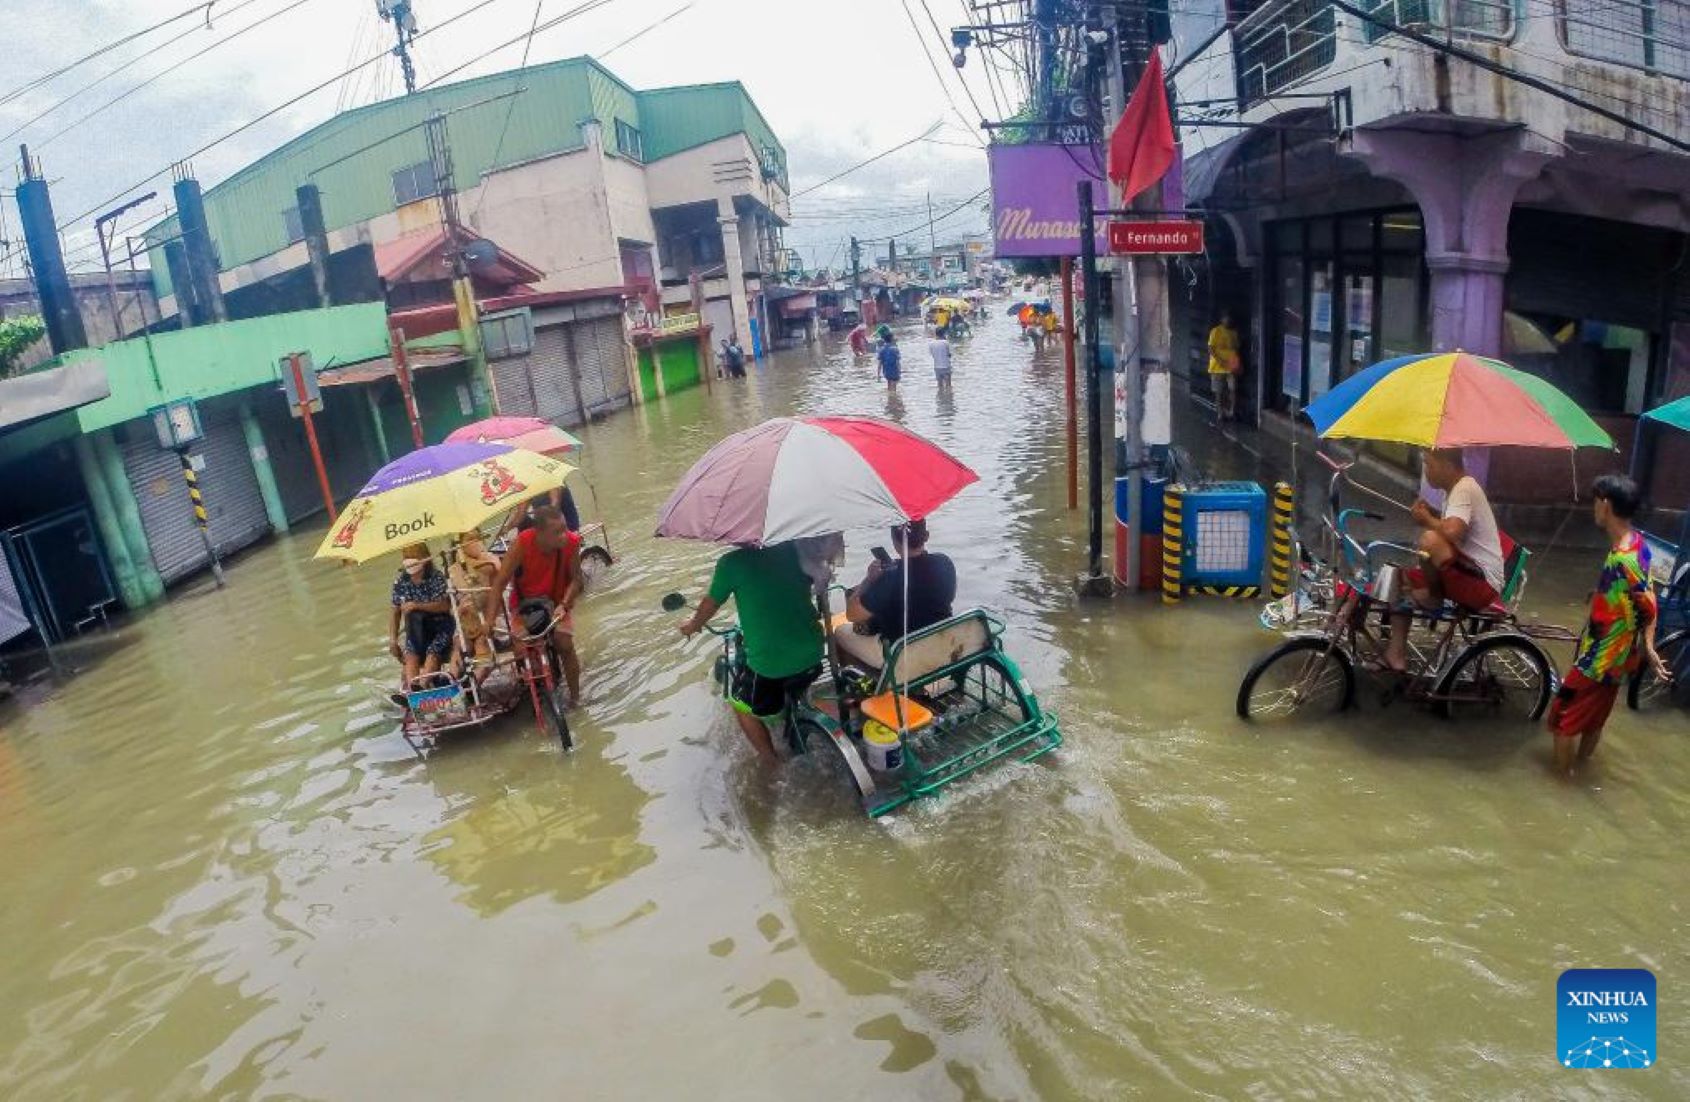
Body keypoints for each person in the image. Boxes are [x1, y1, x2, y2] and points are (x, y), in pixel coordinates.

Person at [1548, 475, 1668, 777]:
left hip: (1601, 658)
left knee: (1562, 718)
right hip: (1617, 657)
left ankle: (1563, 785)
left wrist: (1650, 647)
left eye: (1595, 500)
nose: (1593, 507)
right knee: (1593, 718)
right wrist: (1602, 594)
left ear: (1606, 504)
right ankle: (1583, 770)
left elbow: (1649, 605)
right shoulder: (1637, 544)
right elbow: (1644, 593)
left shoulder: (1624, 559)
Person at [678, 542, 825, 766]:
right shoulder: (795, 549)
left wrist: (693, 625)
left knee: (740, 705)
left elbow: (710, 604)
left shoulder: (731, 563)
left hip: (772, 666)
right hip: (814, 653)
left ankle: (770, 760)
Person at [1384, 449, 1506, 671]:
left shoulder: (1464, 488)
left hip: (1482, 583)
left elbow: (1452, 532)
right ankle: (1396, 652)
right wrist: (1428, 516)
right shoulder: (1453, 490)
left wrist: (1427, 520)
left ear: (1448, 467)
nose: (1426, 471)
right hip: (1469, 571)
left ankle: (1435, 596)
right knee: (1402, 578)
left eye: (1429, 465)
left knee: (1429, 540)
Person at [485, 506, 583, 705]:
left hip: (557, 602)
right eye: (557, 532)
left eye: (565, 528)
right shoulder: (521, 544)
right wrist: (489, 621)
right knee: (521, 649)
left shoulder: (572, 542)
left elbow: (577, 580)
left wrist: (564, 604)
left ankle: (576, 698)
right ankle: (531, 688)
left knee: (565, 644)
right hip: (524, 605)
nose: (564, 535)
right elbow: (499, 584)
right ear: (539, 533)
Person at [837, 521, 958, 668]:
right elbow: (949, 597)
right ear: (926, 536)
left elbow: (852, 615)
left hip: (902, 655)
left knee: (840, 632)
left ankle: (870, 682)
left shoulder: (889, 577)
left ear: (894, 542)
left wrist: (869, 580)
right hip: (944, 643)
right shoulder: (944, 562)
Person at [389, 544, 455, 693]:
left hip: (440, 627)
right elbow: (395, 611)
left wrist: (417, 605)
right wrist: (393, 639)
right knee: (411, 655)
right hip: (416, 629)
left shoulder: (436, 577)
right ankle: (413, 691)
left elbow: (444, 606)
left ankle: (423, 686)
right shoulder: (401, 582)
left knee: (432, 652)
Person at [450, 530, 500, 676]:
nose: (475, 542)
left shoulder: (489, 562)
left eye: (477, 538)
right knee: (459, 646)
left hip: (486, 620)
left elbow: (496, 568)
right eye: (470, 539)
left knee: (481, 644)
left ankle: (476, 682)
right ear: (460, 545)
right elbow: (451, 609)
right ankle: (453, 681)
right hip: (466, 623)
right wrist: (458, 609)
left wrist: (475, 559)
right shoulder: (453, 570)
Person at [1207, 311, 1241, 422]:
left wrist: (1237, 364)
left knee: (1233, 389)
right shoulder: (1216, 331)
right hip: (1218, 366)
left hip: (1231, 364)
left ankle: (1232, 411)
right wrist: (1219, 360)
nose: (1228, 320)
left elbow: (1236, 349)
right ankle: (1220, 412)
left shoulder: (1234, 332)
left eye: (1229, 318)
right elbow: (1210, 348)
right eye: (1226, 318)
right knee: (1219, 391)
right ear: (1222, 319)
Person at [927, 326, 953, 394]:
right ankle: (948, 398)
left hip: (937, 367)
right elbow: (949, 354)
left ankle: (941, 398)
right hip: (946, 366)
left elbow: (932, 355)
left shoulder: (931, 344)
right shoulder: (946, 342)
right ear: (943, 333)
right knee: (948, 385)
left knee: (940, 385)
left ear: (936, 334)